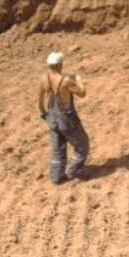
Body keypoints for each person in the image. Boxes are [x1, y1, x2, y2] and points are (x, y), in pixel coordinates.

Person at [38, 51, 90, 184]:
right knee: (82, 143)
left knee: (57, 146)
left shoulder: (44, 78)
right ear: (60, 64)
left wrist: (44, 113)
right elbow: (82, 93)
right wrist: (78, 80)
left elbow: (40, 98)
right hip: (67, 118)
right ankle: (75, 170)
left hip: (52, 117)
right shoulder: (66, 81)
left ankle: (57, 176)